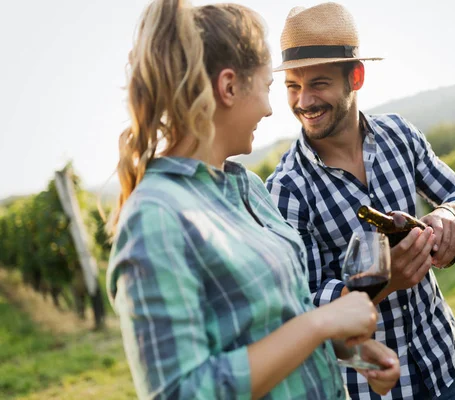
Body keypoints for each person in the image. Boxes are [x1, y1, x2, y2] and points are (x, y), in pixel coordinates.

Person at [106, 0, 400, 398]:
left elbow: (272, 326)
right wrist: (321, 324)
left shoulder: (248, 188)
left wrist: (349, 349)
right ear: (229, 87)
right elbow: (181, 391)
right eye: (267, 87)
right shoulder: (156, 216)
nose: (268, 109)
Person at [266, 3, 455, 399]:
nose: (304, 101)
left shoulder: (398, 134)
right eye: (292, 86)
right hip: (372, 387)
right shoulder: (287, 188)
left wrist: (449, 215)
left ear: (356, 76)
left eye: (318, 83)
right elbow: (302, 304)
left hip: (440, 361)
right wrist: (386, 282)